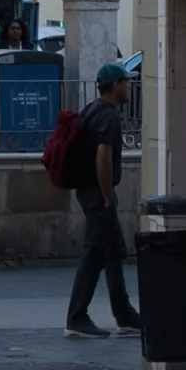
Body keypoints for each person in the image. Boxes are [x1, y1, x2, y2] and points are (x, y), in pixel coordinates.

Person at [65, 58, 141, 336]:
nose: (130, 86)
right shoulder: (109, 116)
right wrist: (108, 196)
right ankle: (77, 317)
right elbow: (103, 159)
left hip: (88, 190)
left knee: (112, 252)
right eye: (127, 82)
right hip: (99, 194)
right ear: (116, 85)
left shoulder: (91, 110)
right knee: (95, 254)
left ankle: (125, 314)